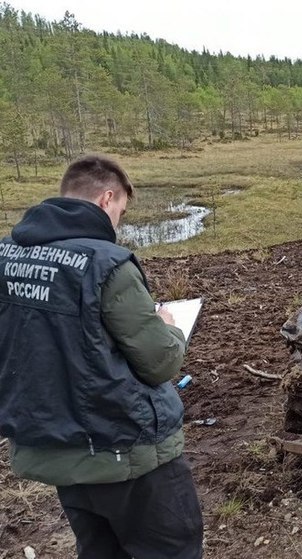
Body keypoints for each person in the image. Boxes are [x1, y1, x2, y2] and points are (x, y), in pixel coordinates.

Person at [0, 154, 203, 558]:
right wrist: (170, 326)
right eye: (122, 212)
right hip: (123, 449)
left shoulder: (7, 256)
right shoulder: (105, 264)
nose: (118, 223)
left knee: (99, 549)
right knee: (172, 548)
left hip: (56, 449)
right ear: (106, 199)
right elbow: (161, 362)